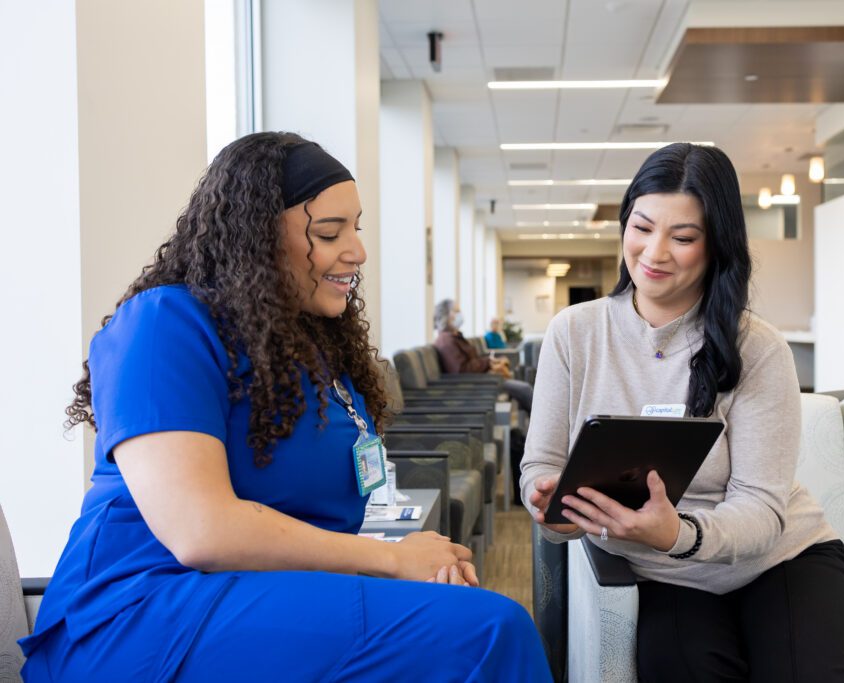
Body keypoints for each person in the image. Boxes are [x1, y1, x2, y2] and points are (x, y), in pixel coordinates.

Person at [19, 132, 551, 682]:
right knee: (490, 631)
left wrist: (402, 557)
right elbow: (202, 531)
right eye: (328, 232)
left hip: (269, 588)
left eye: (357, 226)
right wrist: (392, 560)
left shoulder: (310, 348)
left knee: (459, 616)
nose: (357, 251)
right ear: (256, 238)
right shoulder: (162, 326)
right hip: (143, 610)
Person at [520, 143, 844, 681]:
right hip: (664, 577)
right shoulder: (573, 334)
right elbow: (540, 466)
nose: (654, 253)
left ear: (716, 246)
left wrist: (676, 532)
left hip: (782, 562)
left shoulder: (757, 348)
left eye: (682, 238)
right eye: (641, 227)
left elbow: (763, 510)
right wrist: (550, 502)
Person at [433, 299, 533, 414]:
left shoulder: (455, 337)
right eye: (456, 311)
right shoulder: (446, 341)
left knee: (522, 389)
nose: (460, 314)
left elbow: (471, 361)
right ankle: (539, 428)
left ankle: (528, 426)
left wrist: (489, 362)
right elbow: (461, 370)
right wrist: (488, 363)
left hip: (482, 379)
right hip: (478, 384)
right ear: (446, 315)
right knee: (525, 390)